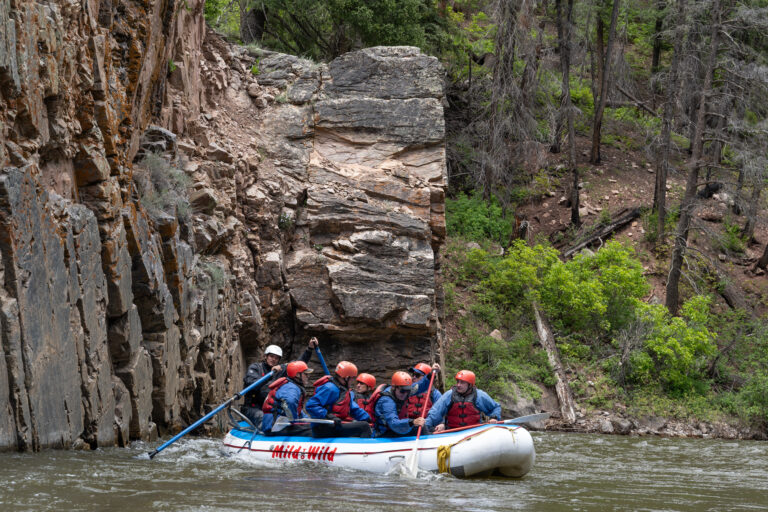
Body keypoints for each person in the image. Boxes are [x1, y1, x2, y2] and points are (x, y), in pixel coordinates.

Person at [240, 337, 318, 425]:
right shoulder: (255, 367)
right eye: (271, 356)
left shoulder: (280, 369)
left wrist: (309, 349)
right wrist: (271, 375)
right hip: (253, 408)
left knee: (298, 416)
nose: (273, 359)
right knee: (262, 417)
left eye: (276, 358)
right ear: (265, 356)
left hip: (271, 408)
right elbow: (252, 383)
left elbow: (298, 364)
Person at [306, 361, 372, 438]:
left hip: (335, 425)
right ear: (346, 377)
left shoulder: (344, 390)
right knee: (363, 426)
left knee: (363, 423)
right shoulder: (330, 388)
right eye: (352, 378)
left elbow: (354, 409)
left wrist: (368, 418)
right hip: (323, 427)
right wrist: (329, 416)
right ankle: (364, 448)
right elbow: (311, 406)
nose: (353, 381)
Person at [373, 363, 440, 437]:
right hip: (384, 433)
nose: (405, 394)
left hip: (398, 429)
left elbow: (419, 386)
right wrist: (412, 422)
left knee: (422, 427)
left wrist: (430, 374)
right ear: (394, 387)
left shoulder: (403, 390)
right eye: (402, 391)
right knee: (419, 428)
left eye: (407, 391)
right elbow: (393, 423)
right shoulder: (387, 400)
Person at [426, 370, 502, 433]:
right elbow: (435, 413)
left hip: (474, 432)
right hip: (452, 432)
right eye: (458, 382)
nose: (458, 385)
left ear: (470, 385)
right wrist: (425, 426)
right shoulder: (449, 395)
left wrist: (494, 418)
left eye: (462, 382)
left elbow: (495, 407)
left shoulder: (479, 395)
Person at [261, 360, 314, 436]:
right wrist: (295, 422)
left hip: (279, 423)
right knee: (314, 430)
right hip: (275, 426)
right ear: (297, 375)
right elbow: (290, 402)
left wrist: (309, 421)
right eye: (305, 374)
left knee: (313, 426)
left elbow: (297, 411)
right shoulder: (291, 388)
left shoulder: (292, 385)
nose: (308, 377)